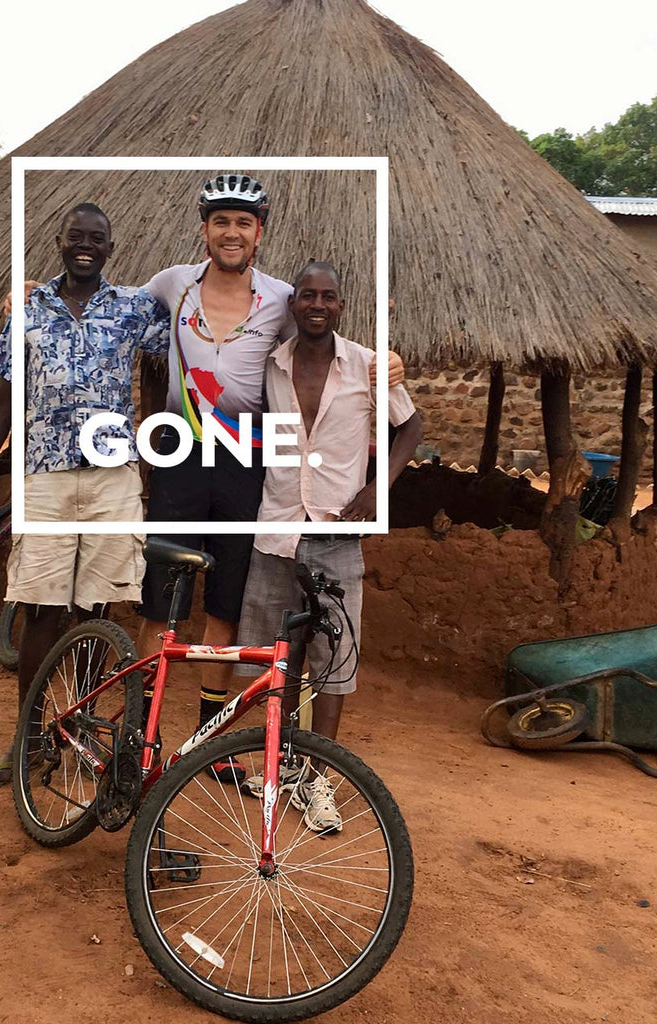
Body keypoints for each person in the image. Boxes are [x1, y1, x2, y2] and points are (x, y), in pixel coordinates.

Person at [134, 175, 406, 784]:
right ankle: (138, 727)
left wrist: (383, 361)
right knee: (161, 596)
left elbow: (318, 347)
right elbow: (106, 306)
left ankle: (210, 738)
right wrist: (28, 294)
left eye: (244, 223)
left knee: (225, 602)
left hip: (245, 465)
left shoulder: (283, 300)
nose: (232, 232)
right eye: (221, 221)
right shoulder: (170, 285)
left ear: (260, 233)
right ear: (204, 228)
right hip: (180, 457)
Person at [0, 202, 169, 788]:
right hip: (42, 478)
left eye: (97, 238)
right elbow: (0, 403)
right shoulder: (27, 312)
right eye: (77, 237)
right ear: (60, 242)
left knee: (96, 606)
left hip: (112, 477)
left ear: (111, 249)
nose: (86, 246)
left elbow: (186, 352)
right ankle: (32, 737)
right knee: (42, 608)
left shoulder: (134, 309)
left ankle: (80, 725)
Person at [234, 260, 422, 832]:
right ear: (293, 305)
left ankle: (318, 782)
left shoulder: (368, 366)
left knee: (335, 662)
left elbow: (411, 427)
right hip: (276, 531)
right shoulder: (269, 364)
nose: (317, 304)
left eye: (329, 297)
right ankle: (282, 765)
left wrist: (376, 489)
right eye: (307, 296)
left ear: (341, 306)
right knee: (278, 658)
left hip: (338, 534)